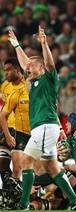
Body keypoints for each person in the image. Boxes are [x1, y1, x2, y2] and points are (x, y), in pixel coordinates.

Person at [8, 26, 76, 210]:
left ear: (40, 68)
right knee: (52, 167)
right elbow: (27, 63)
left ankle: (24, 204)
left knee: (26, 161)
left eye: (32, 66)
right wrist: (16, 45)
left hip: (45, 126)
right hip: (43, 127)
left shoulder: (49, 79)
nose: (27, 68)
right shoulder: (33, 82)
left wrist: (44, 43)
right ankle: (75, 202)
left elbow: (49, 64)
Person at [0, 58, 30, 198]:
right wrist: (6, 135)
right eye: (4, 70)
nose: (5, 73)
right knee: (2, 162)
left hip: (20, 130)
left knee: (17, 167)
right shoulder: (5, 86)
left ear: (17, 69)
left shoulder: (28, 86)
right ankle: (8, 194)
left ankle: (16, 196)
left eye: (8, 70)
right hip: (6, 129)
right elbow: (3, 110)